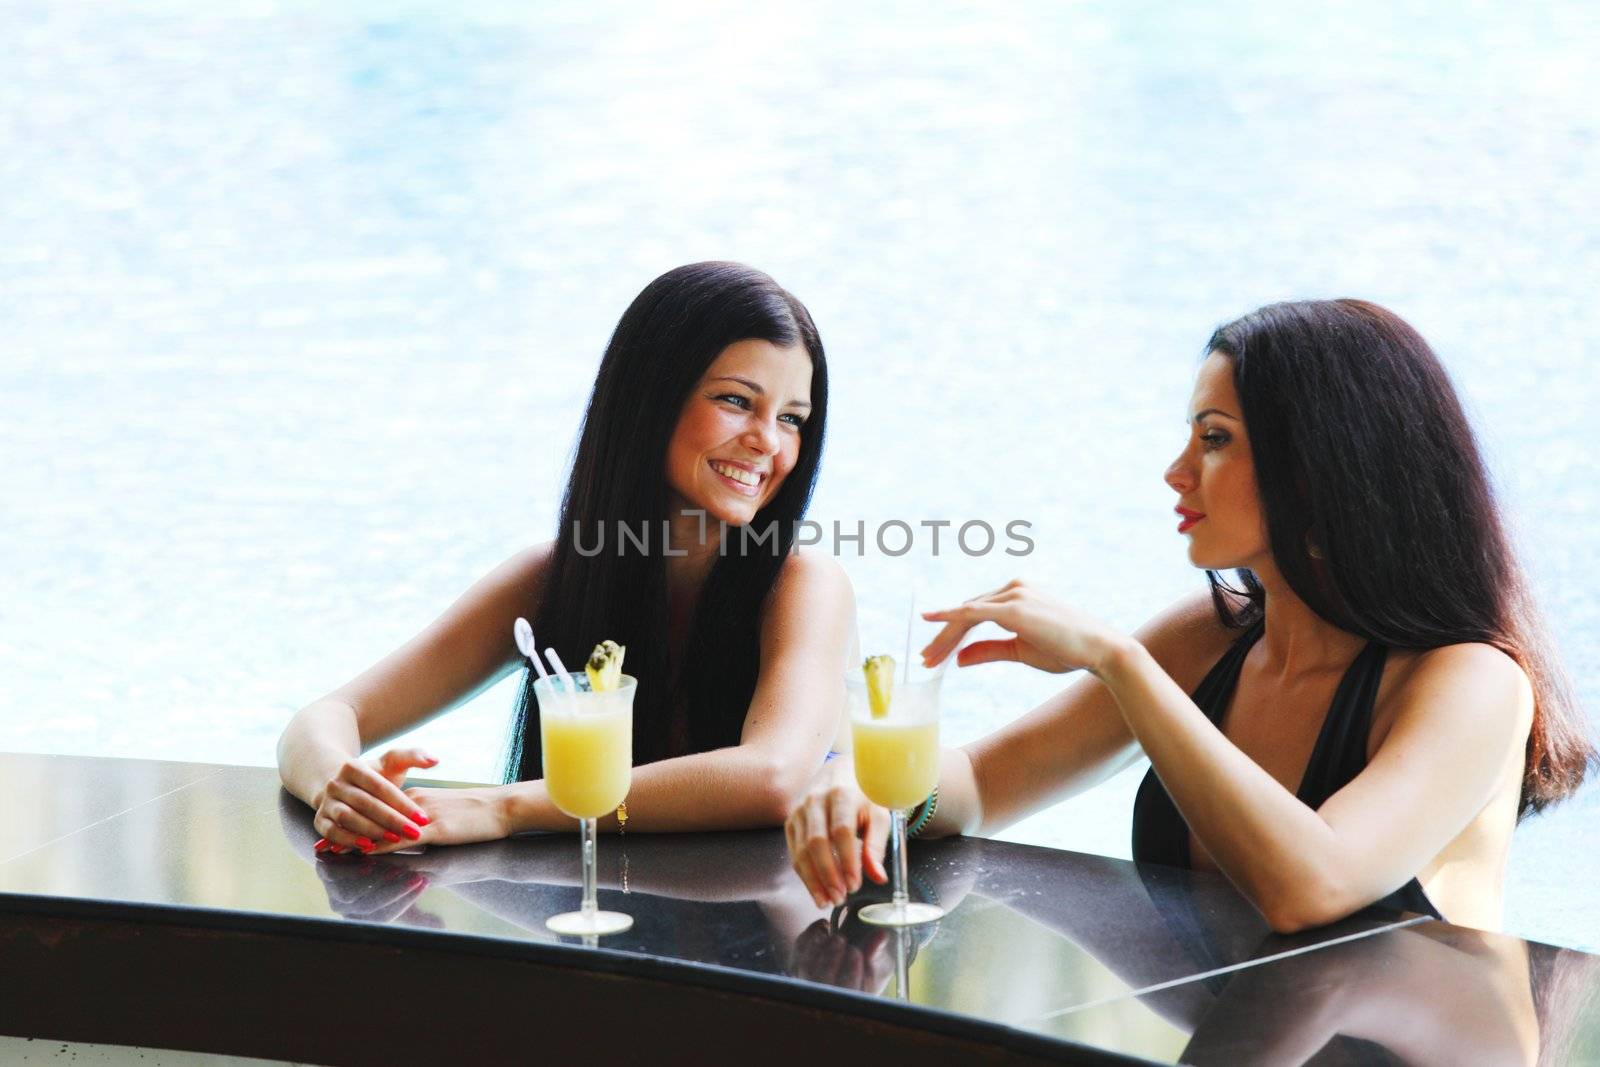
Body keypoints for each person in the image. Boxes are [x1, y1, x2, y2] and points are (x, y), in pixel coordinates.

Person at [786, 299, 1591, 932]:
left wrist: (1117, 659)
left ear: (1318, 469)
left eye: (1215, 439)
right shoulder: (1214, 638)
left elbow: (1311, 887)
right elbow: (983, 784)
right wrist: (870, 777)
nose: (1176, 472)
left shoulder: (1472, 681)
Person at [280, 261, 854, 855]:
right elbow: (324, 717)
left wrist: (506, 807)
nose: (769, 440)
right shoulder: (554, 577)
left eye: (792, 418)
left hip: (769, 934)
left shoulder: (802, 584)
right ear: (650, 400)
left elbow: (773, 777)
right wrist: (337, 786)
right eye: (736, 401)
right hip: (597, 920)